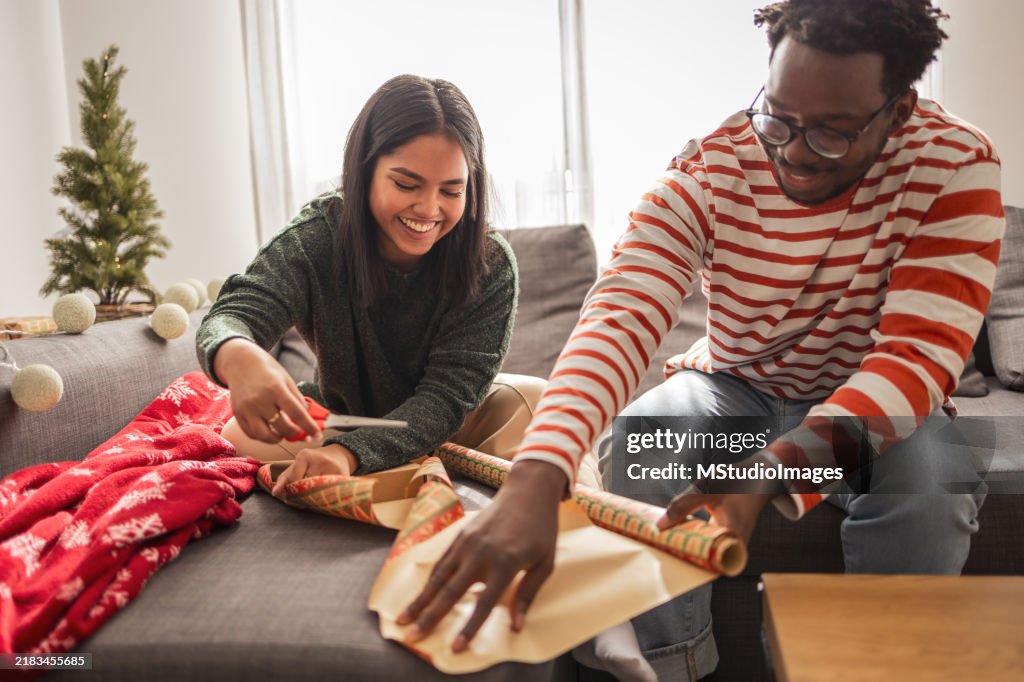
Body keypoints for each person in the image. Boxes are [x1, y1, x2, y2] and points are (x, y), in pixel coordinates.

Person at [399, 1, 1005, 678]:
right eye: (777, 117)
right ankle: (669, 669)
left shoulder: (953, 165)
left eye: (831, 134)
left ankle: (874, 670)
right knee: (641, 441)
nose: (792, 153)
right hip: (735, 386)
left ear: (898, 112)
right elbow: (621, 313)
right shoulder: (712, 169)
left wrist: (775, 469)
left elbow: (914, 361)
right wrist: (540, 474)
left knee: (932, 484)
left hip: (874, 407)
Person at [197, 74, 536, 490]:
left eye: (452, 191)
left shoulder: (491, 261)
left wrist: (348, 455)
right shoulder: (316, 238)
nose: (428, 209)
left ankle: (390, 466)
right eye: (406, 184)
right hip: (349, 419)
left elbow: (446, 398)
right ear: (364, 171)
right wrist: (238, 355)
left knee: (537, 404)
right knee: (239, 435)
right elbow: (233, 314)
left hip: (455, 422)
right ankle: (404, 468)